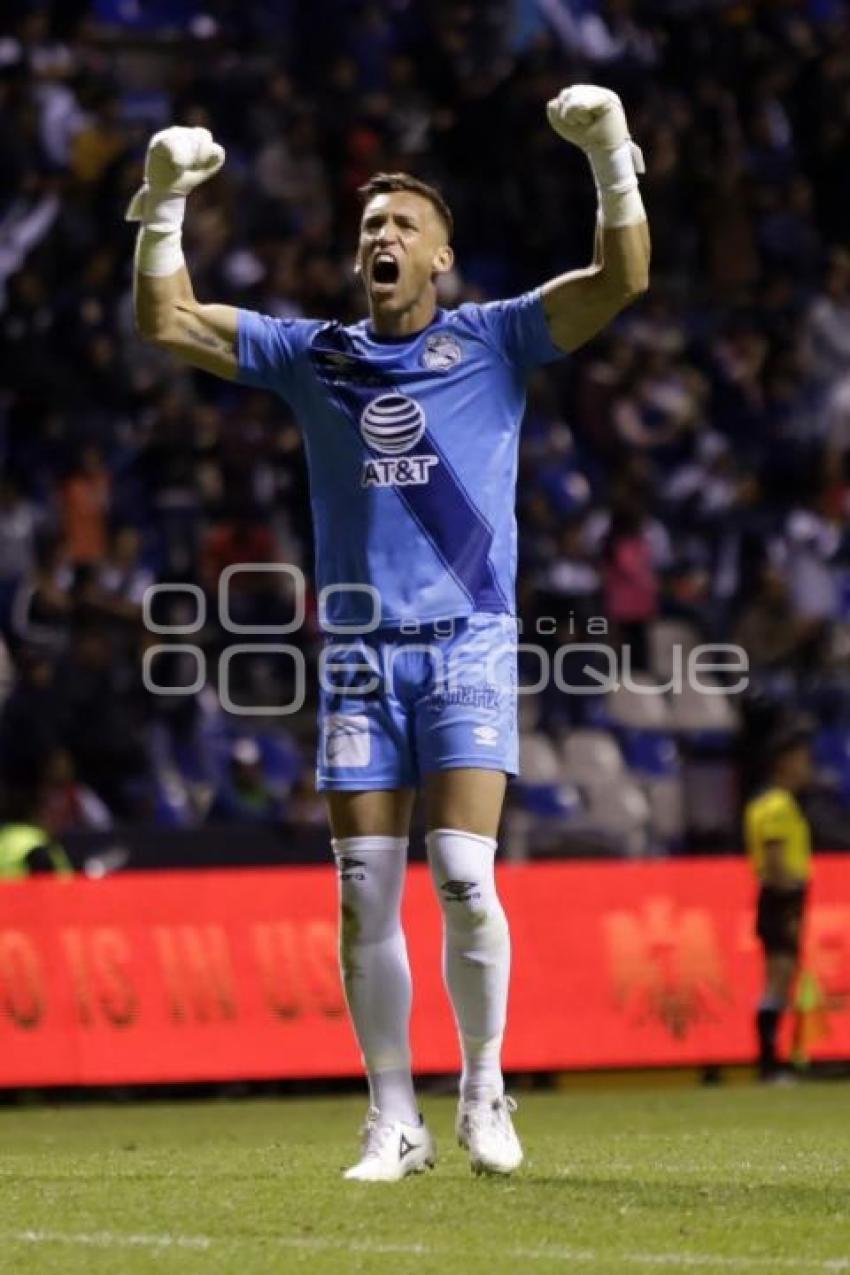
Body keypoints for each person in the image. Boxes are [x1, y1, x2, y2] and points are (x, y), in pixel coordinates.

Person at [128, 85, 650, 1180]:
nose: (382, 235)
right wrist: (163, 201)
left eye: (403, 225)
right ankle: (393, 1119)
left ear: (441, 256)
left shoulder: (495, 340)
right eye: (369, 226)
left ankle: (484, 1090)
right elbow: (168, 321)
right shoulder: (312, 354)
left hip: (467, 637)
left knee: (462, 870)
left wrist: (608, 155)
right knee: (364, 887)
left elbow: (621, 281)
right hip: (361, 649)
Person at [743, 722, 814, 1083]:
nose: (808, 768)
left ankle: (773, 1061)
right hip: (780, 898)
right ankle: (769, 1063)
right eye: (803, 760)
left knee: (781, 981)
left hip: (780, 898)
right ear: (784, 763)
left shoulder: (772, 803)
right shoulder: (777, 806)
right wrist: (790, 903)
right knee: (777, 981)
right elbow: (774, 860)